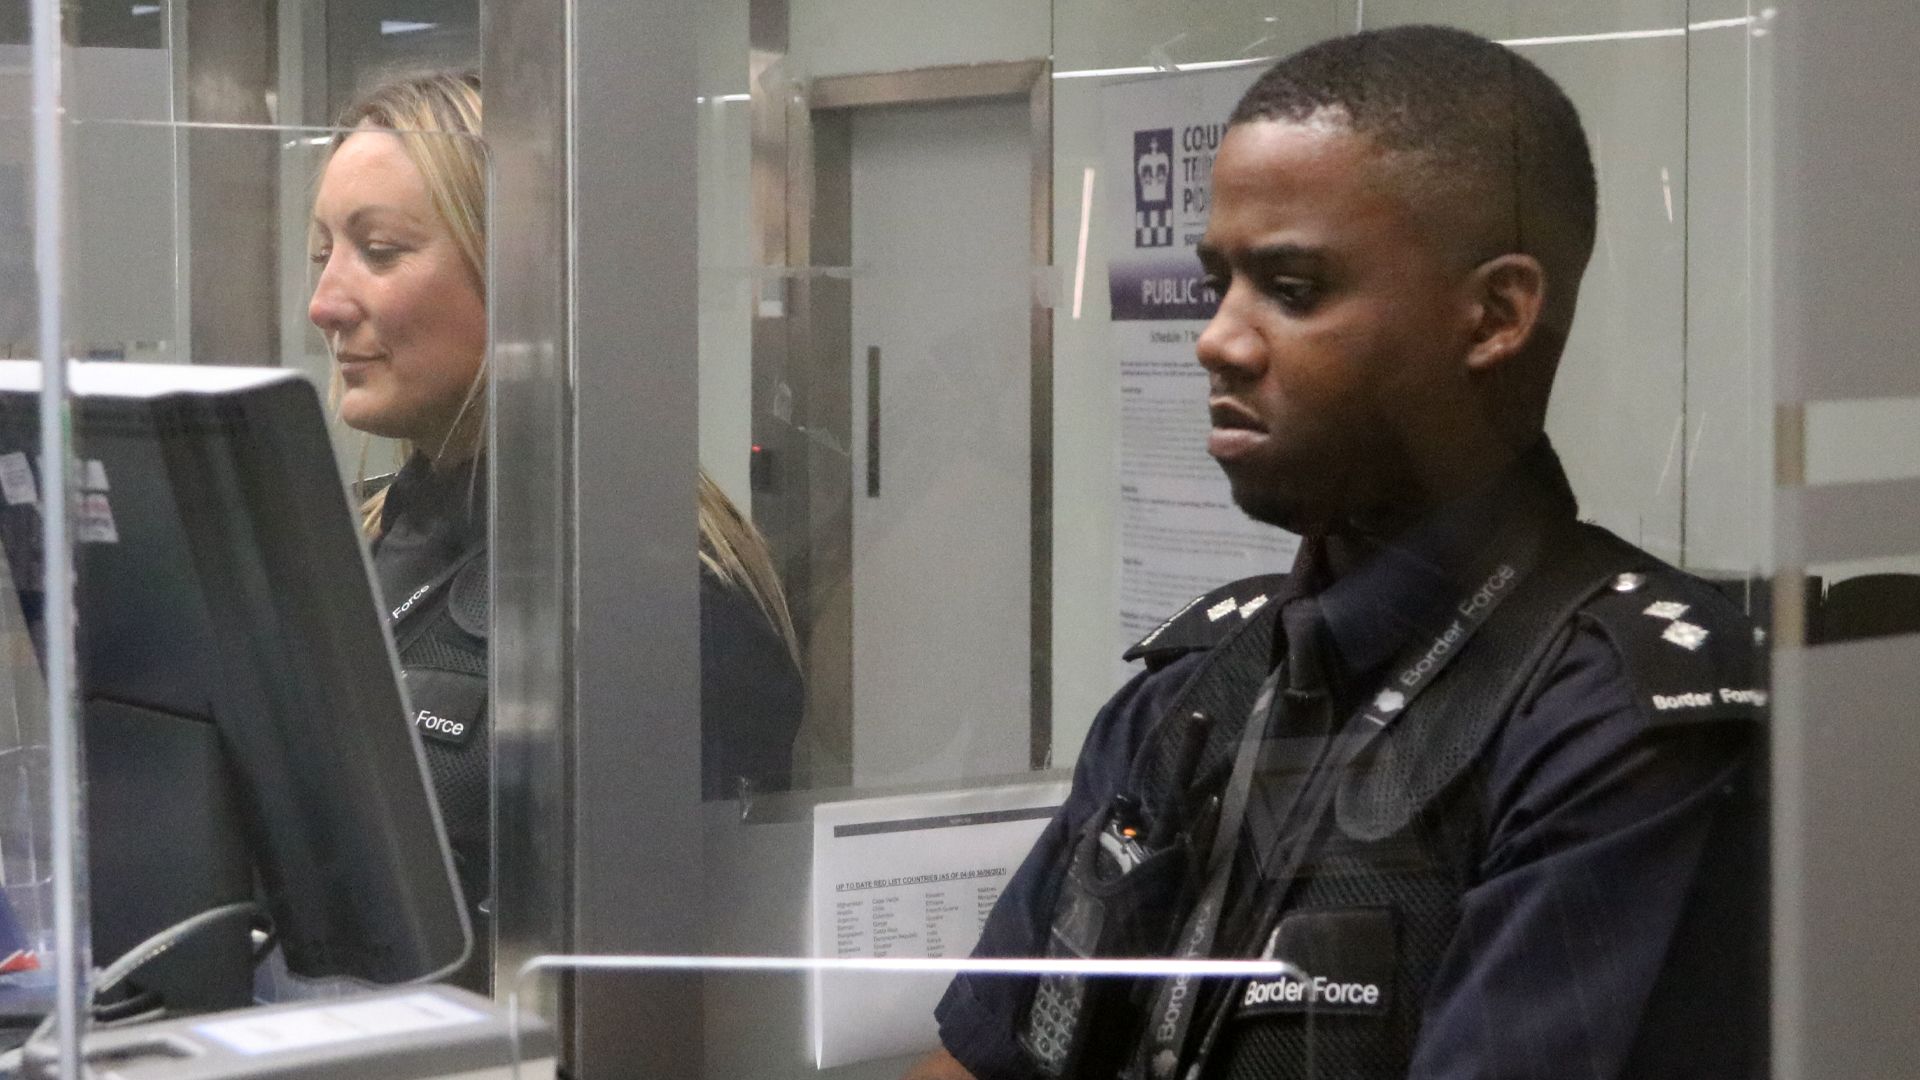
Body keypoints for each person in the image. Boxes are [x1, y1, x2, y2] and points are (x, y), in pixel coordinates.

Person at [914, 26, 1764, 1080]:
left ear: (1494, 314)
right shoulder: (1196, 691)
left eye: (1293, 287)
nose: (1217, 338)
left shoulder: (1615, 721)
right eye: (1219, 281)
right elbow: (981, 1059)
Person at [306, 72, 805, 987]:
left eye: (378, 251)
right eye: (322, 254)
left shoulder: (652, 596)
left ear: (525, 281)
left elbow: (653, 993)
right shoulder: (366, 540)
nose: (327, 303)